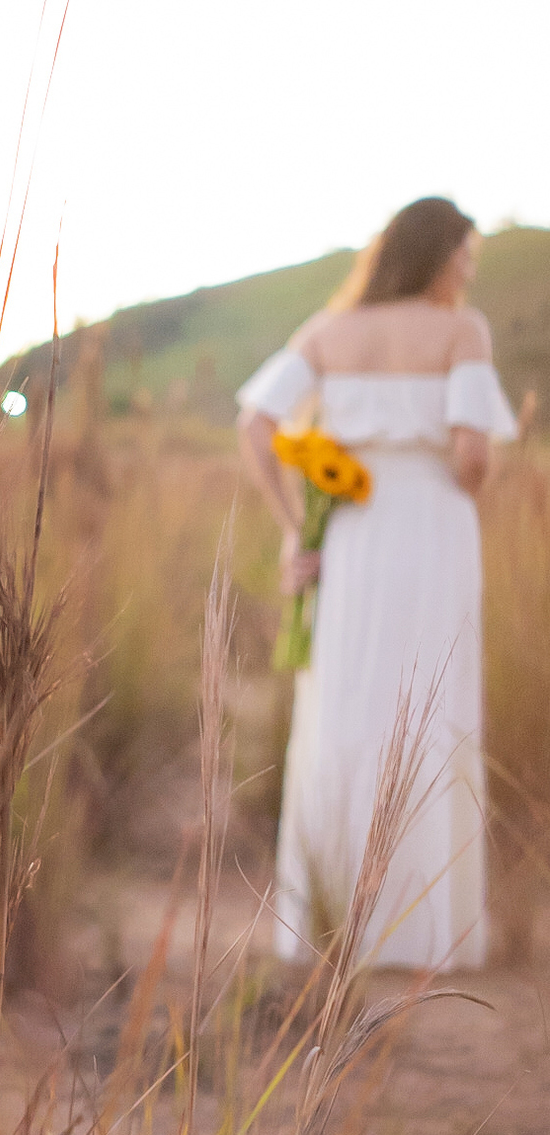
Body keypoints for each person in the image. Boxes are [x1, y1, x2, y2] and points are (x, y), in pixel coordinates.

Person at [237, 196, 517, 970]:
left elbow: (255, 422)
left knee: (345, 706)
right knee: (433, 702)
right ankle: (424, 932)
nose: (467, 270)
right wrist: (478, 471)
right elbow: (469, 458)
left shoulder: (327, 332)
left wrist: (296, 521)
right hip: (431, 525)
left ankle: (332, 919)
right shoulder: (463, 330)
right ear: (435, 254)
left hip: (353, 535)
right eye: (463, 254)